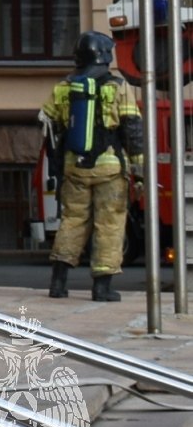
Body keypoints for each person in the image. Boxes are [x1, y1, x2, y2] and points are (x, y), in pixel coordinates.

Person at [43, 29, 145, 302]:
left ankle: (58, 283)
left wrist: (56, 168)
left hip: (74, 166)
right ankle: (102, 288)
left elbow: (49, 128)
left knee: (72, 221)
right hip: (109, 168)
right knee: (109, 224)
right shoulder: (117, 86)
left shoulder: (64, 88)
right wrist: (140, 169)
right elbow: (132, 129)